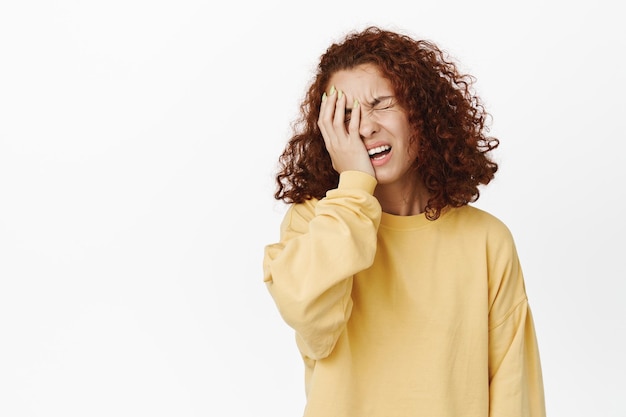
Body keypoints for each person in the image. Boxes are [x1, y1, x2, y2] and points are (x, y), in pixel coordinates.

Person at [263, 26, 546, 417]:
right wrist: (354, 186)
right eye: (344, 116)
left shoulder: (486, 240)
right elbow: (307, 315)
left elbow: (515, 391)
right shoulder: (318, 224)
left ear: (420, 111)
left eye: (380, 103)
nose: (364, 127)